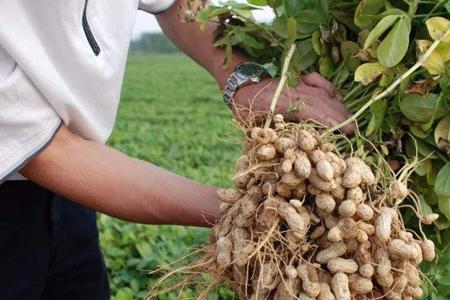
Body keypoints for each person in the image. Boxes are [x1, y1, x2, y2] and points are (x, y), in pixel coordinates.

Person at [0, 0, 353, 299]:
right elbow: (48, 151)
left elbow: (178, 5)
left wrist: (244, 79)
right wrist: (247, 212)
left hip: (71, 202)